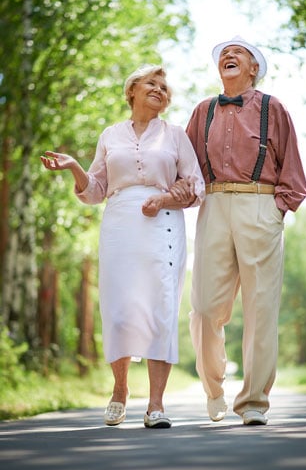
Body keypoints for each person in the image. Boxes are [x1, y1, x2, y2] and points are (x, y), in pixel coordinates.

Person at [40, 64, 205, 429]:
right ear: (131, 90)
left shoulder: (176, 135)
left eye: (165, 87)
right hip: (118, 223)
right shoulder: (110, 135)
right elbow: (95, 190)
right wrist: (74, 167)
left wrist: (163, 200)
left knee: (161, 308)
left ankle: (156, 405)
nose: (160, 90)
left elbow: (195, 186)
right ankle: (120, 390)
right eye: (152, 83)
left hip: (163, 224)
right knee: (118, 310)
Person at [173, 35, 306, 425]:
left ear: (254, 69)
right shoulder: (203, 111)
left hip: (260, 206)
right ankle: (214, 389)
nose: (228, 56)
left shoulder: (273, 108)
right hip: (213, 206)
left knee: (261, 309)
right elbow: (187, 168)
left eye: (239, 53)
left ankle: (253, 403)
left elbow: (294, 171)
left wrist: (276, 210)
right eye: (223, 54)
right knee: (203, 309)